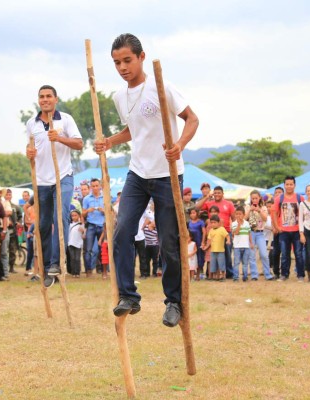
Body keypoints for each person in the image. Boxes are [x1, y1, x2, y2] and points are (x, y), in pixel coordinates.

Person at [94, 33, 199, 327]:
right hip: (137, 173)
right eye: (116, 62)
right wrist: (110, 141)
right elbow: (134, 130)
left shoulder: (161, 88)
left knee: (168, 242)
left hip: (167, 174)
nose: (122, 67)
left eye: (127, 60)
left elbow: (192, 119)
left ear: (141, 57)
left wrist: (179, 144)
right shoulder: (119, 96)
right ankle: (128, 296)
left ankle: (173, 302)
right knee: (122, 231)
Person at [25, 84, 83, 288]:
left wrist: (59, 137)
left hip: (63, 176)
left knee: (61, 218)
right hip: (41, 181)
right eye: (41, 96)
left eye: (49, 96)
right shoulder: (32, 123)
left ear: (56, 99)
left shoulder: (65, 119)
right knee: (42, 225)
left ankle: (57, 263)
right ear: (38, 100)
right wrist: (29, 153)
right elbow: (30, 147)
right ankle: (47, 266)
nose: (45, 99)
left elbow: (79, 143)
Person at [196, 185, 235, 278]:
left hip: (226, 231)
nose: (217, 194)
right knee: (213, 253)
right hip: (213, 232)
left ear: (223, 194)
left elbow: (233, 218)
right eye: (215, 193)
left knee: (227, 253)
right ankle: (213, 274)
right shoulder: (209, 203)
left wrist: (232, 231)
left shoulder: (229, 204)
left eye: (219, 193)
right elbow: (197, 207)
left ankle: (229, 273)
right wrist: (206, 197)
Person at [271, 176, 305, 281]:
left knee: (298, 254)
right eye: (287, 184)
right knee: (285, 254)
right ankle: (284, 275)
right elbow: (274, 213)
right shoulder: (279, 199)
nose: (289, 186)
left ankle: (300, 275)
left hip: (297, 231)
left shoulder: (300, 198)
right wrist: (277, 227)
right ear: (284, 185)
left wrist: (302, 230)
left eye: (291, 184)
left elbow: (304, 214)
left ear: (294, 185)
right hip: (284, 231)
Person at [245, 190, 275, 281]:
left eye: (256, 198)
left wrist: (259, 210)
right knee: (252, 254)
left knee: (264, 254)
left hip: (260, 233)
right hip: (250, 233)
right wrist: (250, 209)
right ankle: (254, 274)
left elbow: (265, 218)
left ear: (259, 198)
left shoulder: (263, 207)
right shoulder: (247, 207)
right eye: (253, 198)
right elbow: (244, 219)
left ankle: (267, 274)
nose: (254, 200)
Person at [82, 178, 105, 274]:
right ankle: (88, 270)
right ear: (91, 187)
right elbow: (82, 214)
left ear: (100, 186)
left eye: (97, 186)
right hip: (91, 225)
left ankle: (103, 270)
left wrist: (103, 210)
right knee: (88, 250)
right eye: (93, 186)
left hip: (102, 226)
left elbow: (111, 213)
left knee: (103, 249)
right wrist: (87, 211)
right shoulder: (86, 199)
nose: (95, 188)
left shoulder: (105, 198)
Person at [232, 206, 255, 281]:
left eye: (240, 214)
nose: (238, 216)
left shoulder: (247, 224)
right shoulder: (234, 224)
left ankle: (245, 277)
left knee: (245, 263)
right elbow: (236, 233)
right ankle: (236, 277)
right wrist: (239, 224)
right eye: (236, 214)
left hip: (246, 246)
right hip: (237, 247)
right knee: (236, 262)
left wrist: (251, 243)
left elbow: (249, 233)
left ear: (244, 215)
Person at [204, 215, 230, 281]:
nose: (213, 224)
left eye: (214, 222)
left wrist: (228, 240)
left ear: (218, 223)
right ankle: (213, 277)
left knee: (221, 264)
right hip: (213, 251)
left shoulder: (222, 229)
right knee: (213, 264)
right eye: (211, 222)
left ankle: (223, 276)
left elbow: (227, 236)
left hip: (220, 251)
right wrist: (206, 247)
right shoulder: (211, 231)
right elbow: (209, 240)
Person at [188, 208, 206, 278]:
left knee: (199, 258)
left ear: (197, 213)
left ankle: (198, 275)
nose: (192, 215)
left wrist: (203, 242)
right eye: (191, 213)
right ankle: (190, 274)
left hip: (198, 241)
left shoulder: (201, 222)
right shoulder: (189, 222)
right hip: (191, 243)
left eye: (194, 213)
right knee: (191, 258)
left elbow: (204, 232)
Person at [68, 210, 84, 278]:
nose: (73, 217)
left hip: (78, 243)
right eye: (72, 216)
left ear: (79, 216)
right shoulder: (69, 225)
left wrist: (83, 230)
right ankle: (73, 272)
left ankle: (77, 272)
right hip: (70, 243)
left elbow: (84, 235)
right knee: (72, 258)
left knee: (77, 258)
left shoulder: (81, 224)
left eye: (75, 215)